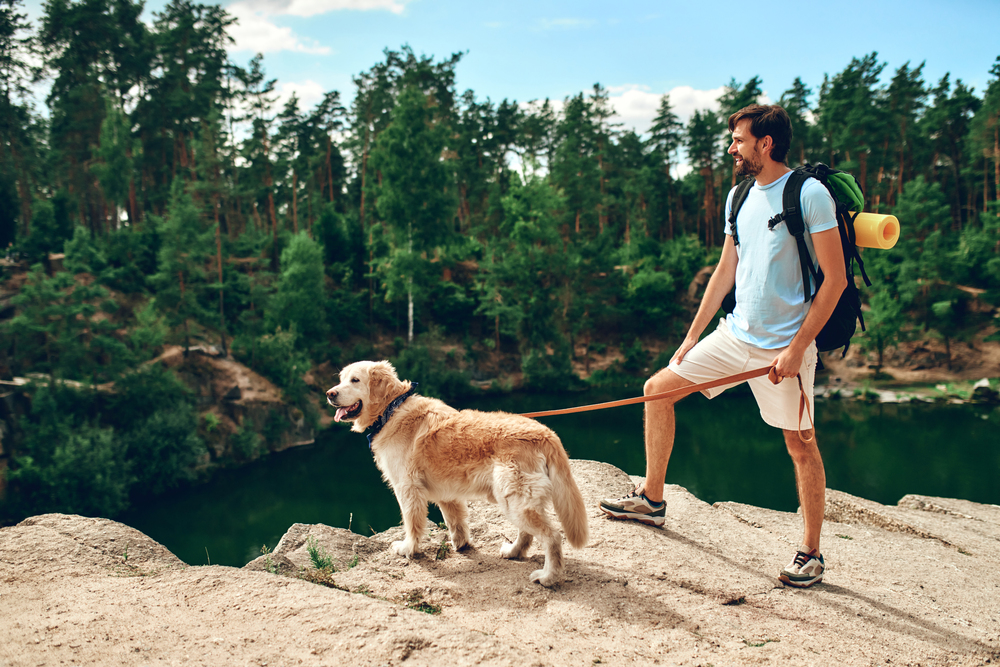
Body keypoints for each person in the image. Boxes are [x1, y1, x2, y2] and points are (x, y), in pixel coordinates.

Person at [599, 104, 847, 588]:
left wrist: (797, 348)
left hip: (785, 348)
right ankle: (652, 501)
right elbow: (723, 271)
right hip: (734, 337)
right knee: (658, 390)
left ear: (766, 143)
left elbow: (834, 282)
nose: (731, 147)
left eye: (738, 139)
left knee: (800, 445)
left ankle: (811, 554)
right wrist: (692, 337)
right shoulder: (739, 197)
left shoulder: (808, 194)